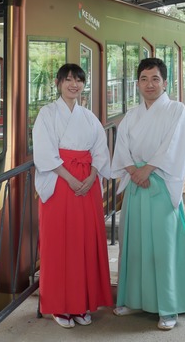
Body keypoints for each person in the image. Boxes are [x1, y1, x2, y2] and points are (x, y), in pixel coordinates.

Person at [111, 57, 185, 330]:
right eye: (144, 79)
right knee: (132, 245)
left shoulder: (176, 110)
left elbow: (174, 145)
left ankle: (168, 308)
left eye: (155, 79)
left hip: (161, 183)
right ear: (137, 83)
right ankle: (131, 298)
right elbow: (121, 145)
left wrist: (146, 170)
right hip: (136, 185)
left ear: (165, 82)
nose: (149, 84)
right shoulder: (132, 115)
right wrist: (134, 171)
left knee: (163, 247)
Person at [32, 63, 113, 329]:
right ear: (58, 83)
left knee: (84, 243)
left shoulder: (88, 117)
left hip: (86, 186)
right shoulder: (47, 113)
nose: (73, 84)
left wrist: (90, 178)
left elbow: (100, 151)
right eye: (68, 80)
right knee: (58, 244)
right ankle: (59, 306)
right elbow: (44, 152)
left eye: (78, 80)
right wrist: (71, 178)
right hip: (59, 183)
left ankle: (81, 304)